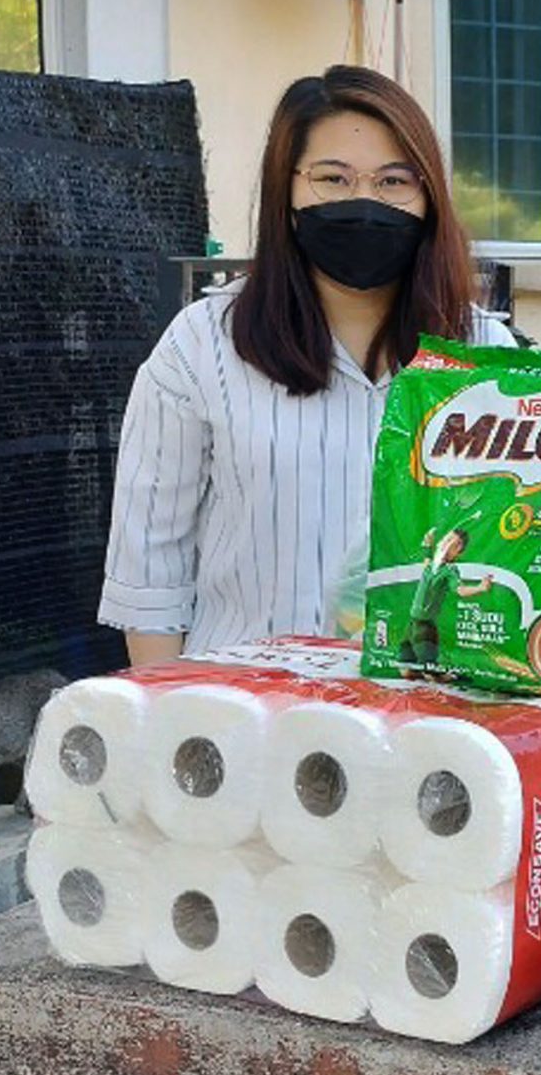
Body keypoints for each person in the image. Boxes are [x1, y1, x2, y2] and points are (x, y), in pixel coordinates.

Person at [99, 66, 512, 663]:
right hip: (243, 722)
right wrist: (171, 723)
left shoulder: (489, 357)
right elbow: (150, 574)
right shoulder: (202, 347)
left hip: (428, 728)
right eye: (332, 178)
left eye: (394, 180)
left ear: (429, 196)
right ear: (286, 190)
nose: (363, 202)